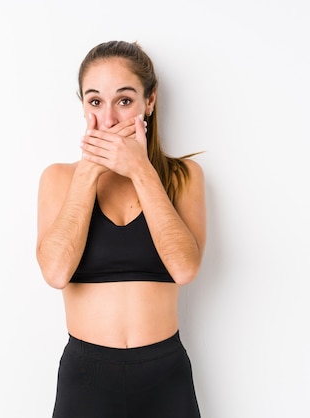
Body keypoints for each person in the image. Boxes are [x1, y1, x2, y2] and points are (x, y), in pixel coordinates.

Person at [36, 40, 206, 418]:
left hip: (165, 377)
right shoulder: (58, 179)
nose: (109, 118)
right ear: (82, 106)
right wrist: (89, 173)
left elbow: (184, 268)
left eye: (124, 101)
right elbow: (55, 272)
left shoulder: (182, 178)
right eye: (95, 101)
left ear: (149, 101)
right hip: (86, 378)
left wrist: (141, 169)